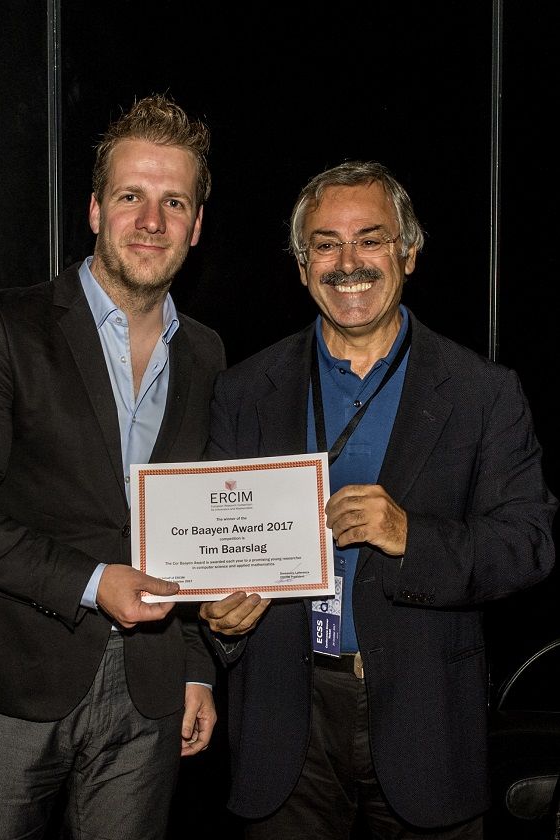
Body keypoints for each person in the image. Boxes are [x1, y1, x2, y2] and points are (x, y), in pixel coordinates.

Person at [199, 160, 557, 838]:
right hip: (284, 719)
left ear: (409, 253)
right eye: (326, 244)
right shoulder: (244, 390)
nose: (348, 263)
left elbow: (528, 545)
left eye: (371, 239)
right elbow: (212, 546)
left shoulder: (483, 393)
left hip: (427, 720)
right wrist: (218, 615)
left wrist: (410, 536)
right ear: (302, 265)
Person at [0, 93, 222, 840]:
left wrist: (195, 666)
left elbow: (195, 527)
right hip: (12, 684)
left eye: (173, 202)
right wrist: (92, 582)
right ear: (94, 210)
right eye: (130, 196)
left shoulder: (207, 353)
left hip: (151, 693)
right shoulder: (4, 324)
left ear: (196, 225)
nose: (151, 221)